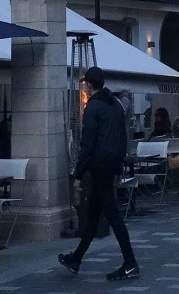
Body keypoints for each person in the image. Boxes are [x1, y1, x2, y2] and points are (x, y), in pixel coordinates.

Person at [58, 66, 139, 282]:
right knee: (93, 215)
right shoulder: (116, 106)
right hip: (112, 164)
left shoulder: (93, 108)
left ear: (89, 84)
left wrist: (78, 174)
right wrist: (119, 166)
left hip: (99, 166)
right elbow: (123, 137)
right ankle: (76, 259)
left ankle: (130, 263)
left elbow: (87, 144)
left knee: (112, 215)